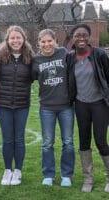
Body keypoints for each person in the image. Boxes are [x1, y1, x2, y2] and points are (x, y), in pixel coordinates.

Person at [67, 23, 109, 193]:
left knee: (100, 141)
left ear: (89, 37)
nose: (81, 38)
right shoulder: (70, 57)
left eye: (85, 35)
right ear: (73, 38)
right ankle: (88, 178)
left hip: (99, 104)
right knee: (84, 141)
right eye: (78, 35)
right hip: (81, 104)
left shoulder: (99, 55)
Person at [32, 29, 75, 187]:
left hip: (66, 106)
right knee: (47, 143)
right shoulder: (36, 60)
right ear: (39, 43)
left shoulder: (64, 53)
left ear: (55, 41)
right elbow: (29, 78)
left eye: (49, 41)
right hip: (47, 107)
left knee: (68, 142)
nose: (46, 44)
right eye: (43, 41)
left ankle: (66, 174)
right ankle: (48, 174)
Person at [0, 25, 34, 186]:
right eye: (12, 38)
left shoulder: (30, 57)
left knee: (19, 139)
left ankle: (18, 170)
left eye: (18, 37)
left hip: (22, 104)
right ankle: (7, 170)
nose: (15, 40)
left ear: (23, 39)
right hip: (3, 105)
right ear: (8, 40)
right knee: (7, 139)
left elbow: (34, 76)